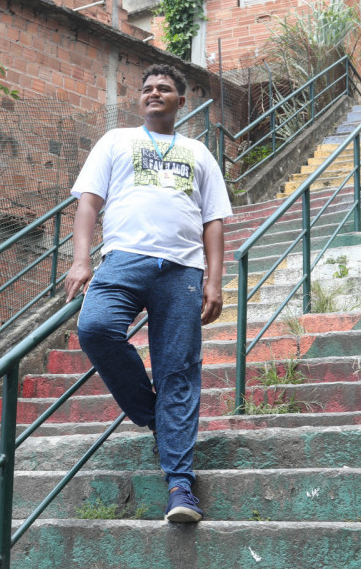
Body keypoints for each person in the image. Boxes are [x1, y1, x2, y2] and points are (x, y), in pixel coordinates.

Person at [64, 63, 232, 524]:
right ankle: (157, 415)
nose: (153, 93)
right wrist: (81, 260)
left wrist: (213, 281)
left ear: (180, 100)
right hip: (123, 259)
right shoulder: (115, 141)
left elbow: (213, 220)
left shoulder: (199, 152)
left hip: (181, 271)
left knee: (179, 370)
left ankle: (181, 485)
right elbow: (88, 203)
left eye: (164, 89)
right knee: (96, 329)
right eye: (147, 89)